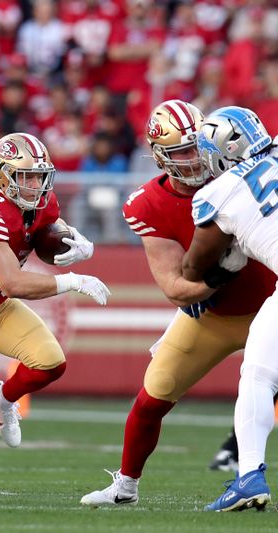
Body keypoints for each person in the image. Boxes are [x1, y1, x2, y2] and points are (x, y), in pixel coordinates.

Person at [81, 100, 276, 508]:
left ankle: (247, 475)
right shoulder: (146, 204)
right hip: (212, 314)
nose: (195, 159)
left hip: (269, 302)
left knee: (258, 380)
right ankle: (126, 485)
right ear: (157, 156)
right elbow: (175, 286)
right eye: (181, 152)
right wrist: (222, 272)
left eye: (196, 145)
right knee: (154, 394)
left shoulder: (231, 179)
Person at [0, 132, 110, 493]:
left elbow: (47, 236)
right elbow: (12, 281)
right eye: (25, 176)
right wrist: (71, 279)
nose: (34, 185)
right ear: (1, 175)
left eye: (39, 176)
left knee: (50, 361)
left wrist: (75, 241)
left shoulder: (42, 203)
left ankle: (5, 398)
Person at [182, 106, 278, 512]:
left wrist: (230, 256)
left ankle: (249, 476)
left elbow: (193, 266)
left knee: (257, 375)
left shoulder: (221, 191)